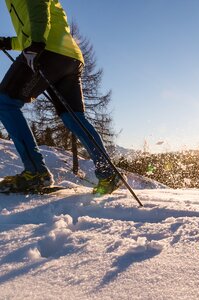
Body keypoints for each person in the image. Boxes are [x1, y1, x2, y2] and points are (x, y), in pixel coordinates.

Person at [0, 0, 121, 195]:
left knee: (5, 102)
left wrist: (37, 42)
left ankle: (36, 173)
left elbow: (38, 6)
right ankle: (107, 172)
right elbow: (34, 27)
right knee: (73, 117)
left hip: (47, 50)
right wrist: (7, 42)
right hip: (69, 56)